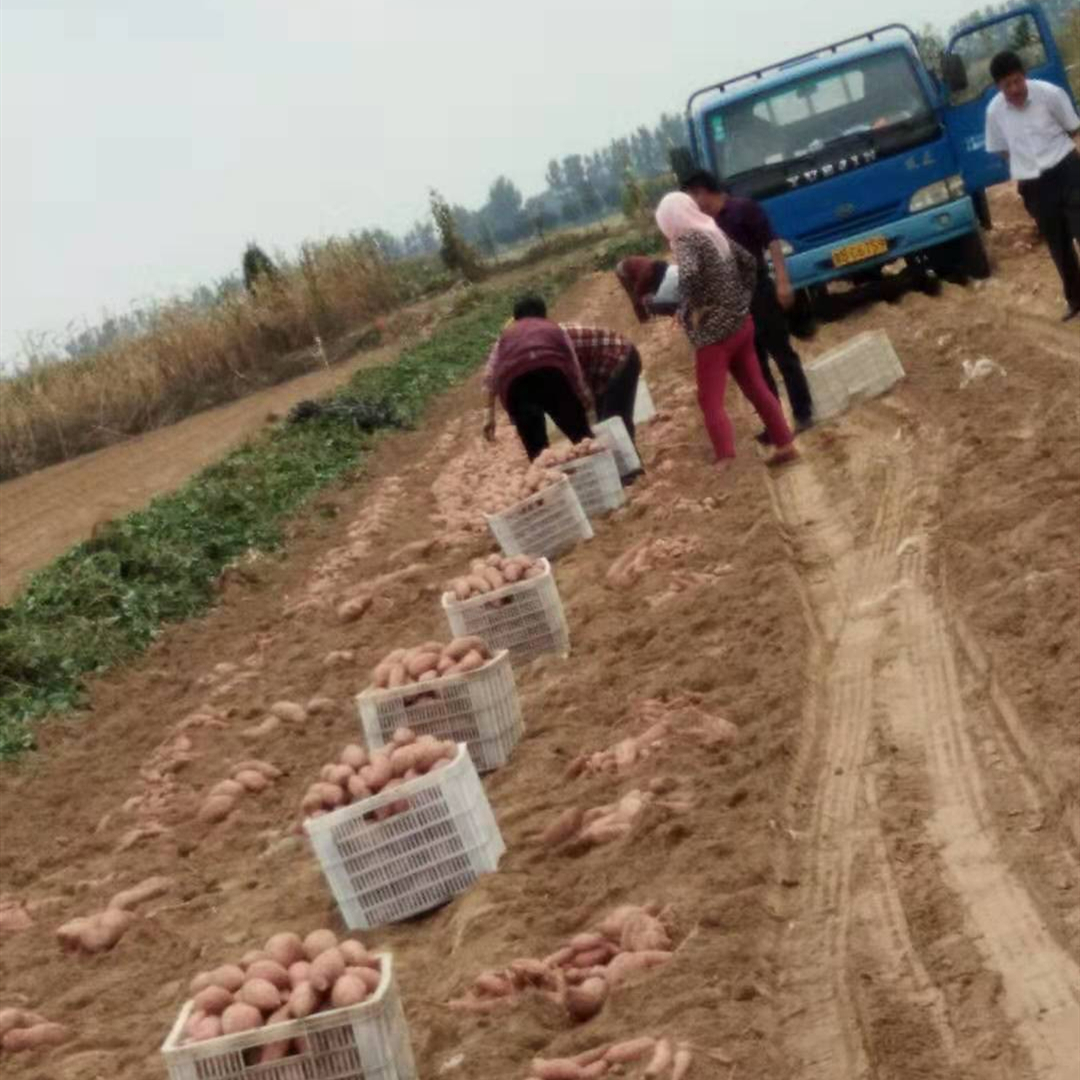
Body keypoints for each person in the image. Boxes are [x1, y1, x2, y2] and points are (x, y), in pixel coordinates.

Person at [654, 192, 797, 468]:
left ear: (670, 220)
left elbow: (690, 275)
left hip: (715, 333)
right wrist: (741, 295)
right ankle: (785, 443)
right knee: (756, 387)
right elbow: (749, 262)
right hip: (741, 321)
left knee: (709, 399)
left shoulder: (685, 239)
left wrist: (692, 307)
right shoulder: (712, 230)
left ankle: (725, 458)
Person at [681, 170, 814, 439]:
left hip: (760, 292)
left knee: (782, 353)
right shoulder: (704, 226)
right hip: (733, 302)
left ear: (702, 191)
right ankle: (775, 425)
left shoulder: (743, 209)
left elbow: (772, 243)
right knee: (756, 365)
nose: (691, 204)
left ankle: (803, 413)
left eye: (691, 197)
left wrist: (783, 281)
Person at [482, 295, 643, 460]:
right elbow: (574, 372)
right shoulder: (552, 330)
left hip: (618, 358)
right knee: (585, 437)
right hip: (559, 374)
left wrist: (489, 415)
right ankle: (610, 464)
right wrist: (584, 412)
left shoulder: (506, 340)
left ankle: (628, 467)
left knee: (612, 422)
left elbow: (490, 375)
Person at [985, 51, 1080, 321]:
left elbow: (1074, 129)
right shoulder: (994, 113)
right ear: (998, 87)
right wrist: (1026, 167)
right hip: (1034, 186)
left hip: (1067, 171)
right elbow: (1001, 149)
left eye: (1017, 81)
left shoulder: (1050, 94)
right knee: (1058, 243)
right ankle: (1076, 299)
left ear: (1024, 75)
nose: (1015, 89)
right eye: (1007, 85)